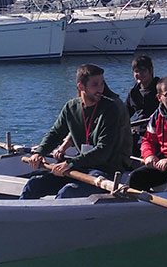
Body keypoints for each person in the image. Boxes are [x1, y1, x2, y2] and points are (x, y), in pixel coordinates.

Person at [21, 64, 130, 199]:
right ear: (81, 87)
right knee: (33, 184)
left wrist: (70, 163)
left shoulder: (111, 109)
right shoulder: (71, 107)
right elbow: (55, 133)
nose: (100, 89)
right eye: (95, 85)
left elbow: (103, 150)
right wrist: (39, 152)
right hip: (80, 167)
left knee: (68, 192)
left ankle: (54, 217)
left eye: (102, 84)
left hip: (104, 170)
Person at [126, 54, 159, 154]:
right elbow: (125, 111)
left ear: (151, 70)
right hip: (138, 129)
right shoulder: (134, 92)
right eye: (136, 71)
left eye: (143, 70)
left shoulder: (160, 87)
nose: (139, 74)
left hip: (156, 129)